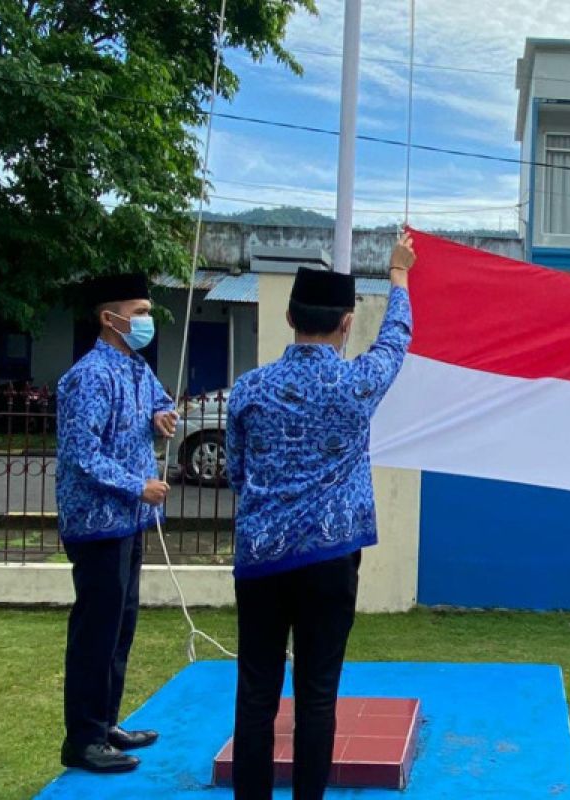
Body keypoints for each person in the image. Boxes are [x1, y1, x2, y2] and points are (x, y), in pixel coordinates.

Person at [226, 232, 416, 800]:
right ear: (346, 322)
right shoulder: (356, 382)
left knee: (257, 692)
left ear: (289, 317)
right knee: (317, 693)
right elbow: (397, 341)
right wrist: (400, 276)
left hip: (260, 559)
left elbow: (237, 472)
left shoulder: (248, 390)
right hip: (331, 562)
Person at [55, 273, 179, 773]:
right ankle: (83, 739)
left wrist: (163, 416)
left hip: (130, 522)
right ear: (111, 319)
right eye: (140, 311)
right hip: (98, 522)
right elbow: (81, 454)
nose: (146, 320)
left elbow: (161, 400)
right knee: (96, 633)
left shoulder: (134, 368)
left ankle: (106, 723)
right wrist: (137, 485)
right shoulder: (90, 376)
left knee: (120, 628)